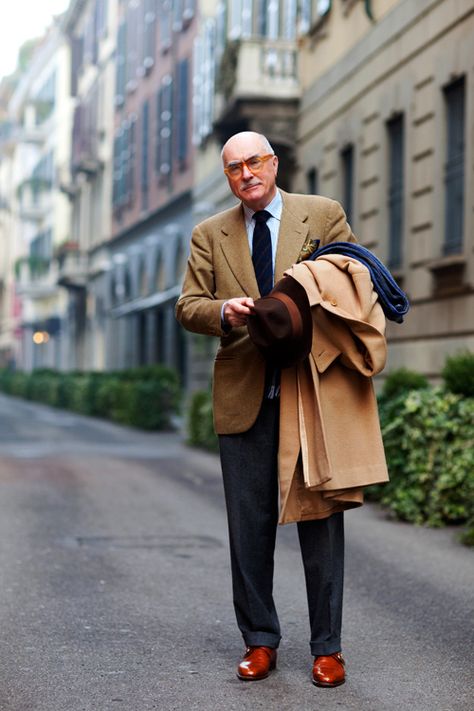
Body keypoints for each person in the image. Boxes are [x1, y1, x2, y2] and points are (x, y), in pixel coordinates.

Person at [175, 131, 388, 687]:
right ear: (228, 177)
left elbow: (357, 278)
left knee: (321, 520)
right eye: (234, 168)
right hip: (244, 393)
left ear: (274, 163)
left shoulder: (321, 215)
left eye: (254, 162)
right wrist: (225, 311)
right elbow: (187, 306)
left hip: (310, 392)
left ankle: (327, 648)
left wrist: (312, 296)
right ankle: (260, 641)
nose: (246, 174)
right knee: (248, 527)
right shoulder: (209, 234)